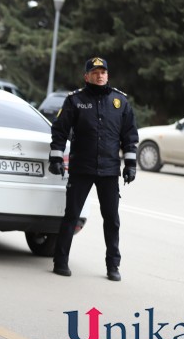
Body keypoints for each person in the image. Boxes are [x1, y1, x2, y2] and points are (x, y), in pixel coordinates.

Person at [48, 57, 139, 281]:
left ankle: (113, 266)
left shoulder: (120, 102)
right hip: (81, 168)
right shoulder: (75, 100)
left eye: (103, 72)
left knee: (112, 219)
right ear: (86, 76)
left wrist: (130, 164)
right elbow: (60, 131)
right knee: (71, 216)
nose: (100, 75)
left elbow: (129, 135)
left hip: (109, 170)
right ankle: (60, 261)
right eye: (95, 72)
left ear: (108, 75)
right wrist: (56, 158)